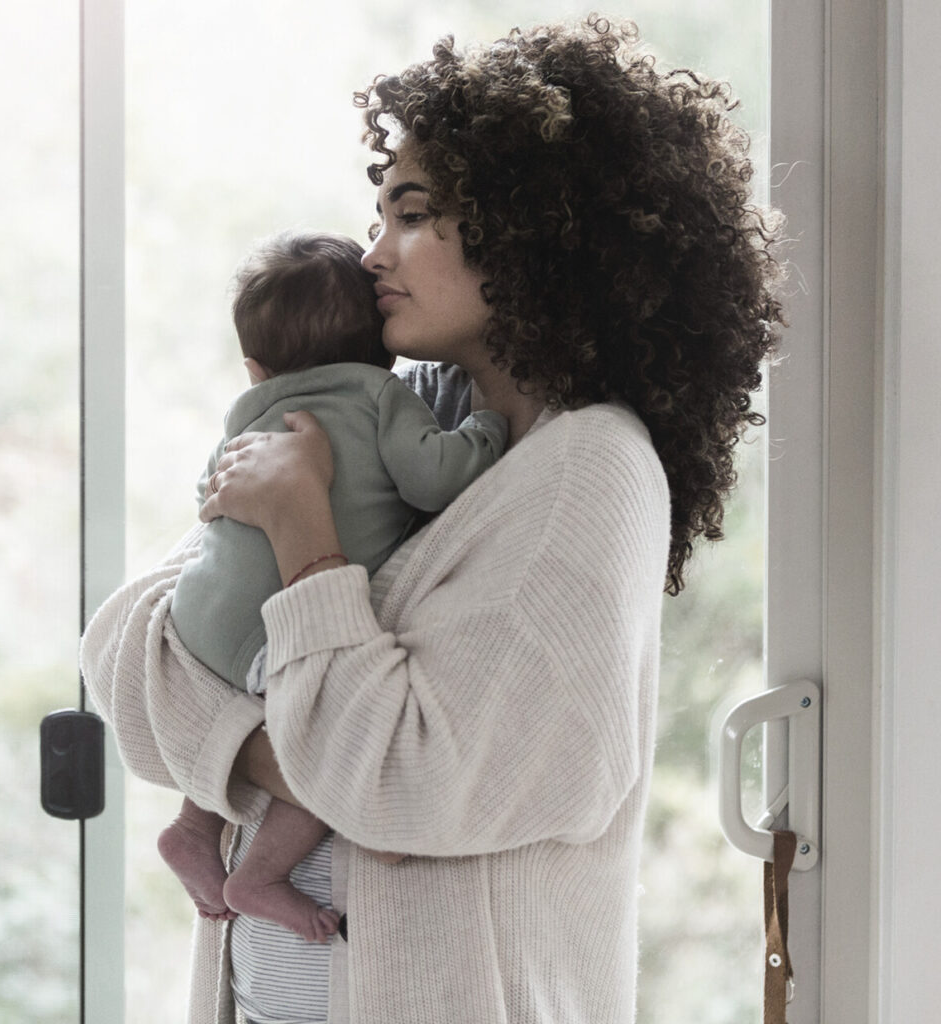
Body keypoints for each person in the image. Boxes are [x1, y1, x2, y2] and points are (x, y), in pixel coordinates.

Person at [81, 17, 783, 1024]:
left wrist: (303, 538)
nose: (373, 254)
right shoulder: (404, 408)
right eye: (378, 216)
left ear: (536, 228)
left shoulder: (589, 475)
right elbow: (126, 642)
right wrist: (292, 756)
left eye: (410, 215)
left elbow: (406, 787)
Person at [156, 229, 507, 941]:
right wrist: (486, 430)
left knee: (240, 706)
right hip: (277, 627)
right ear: (385, 348)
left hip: (198, 614)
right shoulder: (381, 394)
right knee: (321, 737)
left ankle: (193, 827)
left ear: (256, 368)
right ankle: (260, 875)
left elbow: (209, 495)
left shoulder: (248, 411)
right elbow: (433, 478)